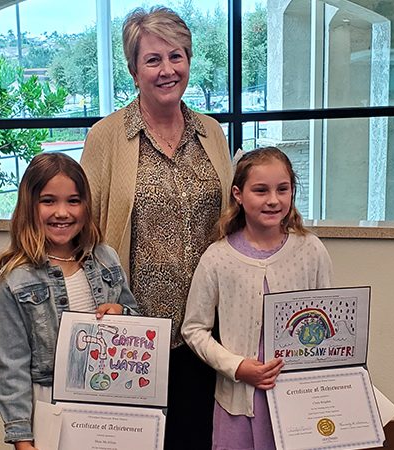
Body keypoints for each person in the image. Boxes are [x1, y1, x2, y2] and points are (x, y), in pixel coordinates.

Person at [80, 6, 233, 449]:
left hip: (207, 331)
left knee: (200, 437)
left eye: (177, 56)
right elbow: (85, 227)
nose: (167, 70)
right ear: (133, 69)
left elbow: (228, 218)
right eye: (153, 60)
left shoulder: (211, 133)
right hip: (135, 333)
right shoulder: (106, 137)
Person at [181, 147, 334, 449]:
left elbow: (328, 323)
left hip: (298, 398)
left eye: (283, 189)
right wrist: (237, 366)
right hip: (238, 401)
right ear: (238, 194)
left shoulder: (311, 251)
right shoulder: (218, 258)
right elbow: (194, 329)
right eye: (261, 190)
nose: (273, 200)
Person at [0, 152, 138, 449]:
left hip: (110, 401)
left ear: (86, 206)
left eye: (73, 201)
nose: (62, 212)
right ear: (29, 207)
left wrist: (122, 312)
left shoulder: (105, 258)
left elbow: (134, 320)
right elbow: (12, 366)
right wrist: (22, 438)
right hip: (50, 403)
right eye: (48, 201)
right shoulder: (17, 279)